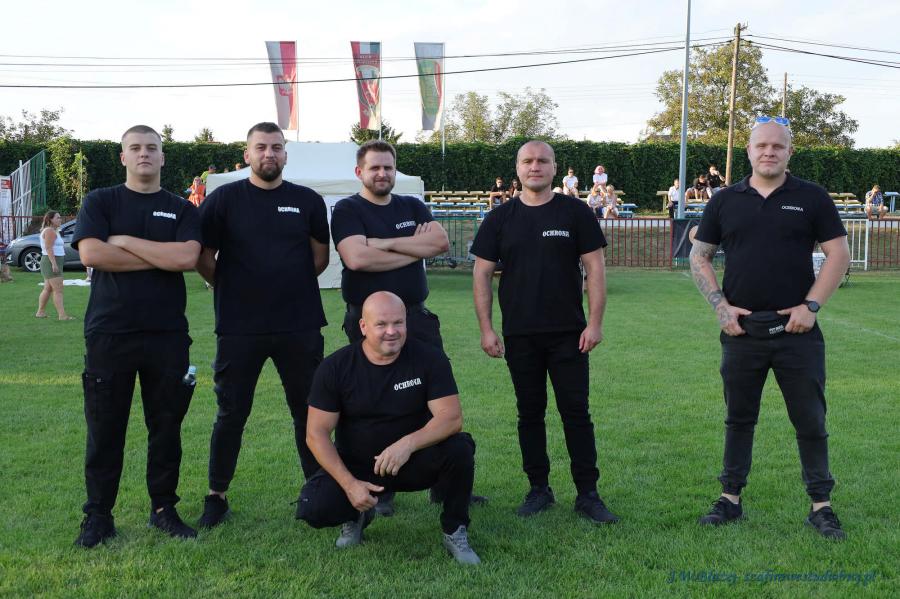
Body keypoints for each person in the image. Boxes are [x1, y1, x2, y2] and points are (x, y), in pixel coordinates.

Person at [689, 117, 851, 539]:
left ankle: (821, 506)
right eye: (761, 145)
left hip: (798, 332)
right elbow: (699, 255)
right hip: (741, 333)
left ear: (789, 152)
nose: (769, 152)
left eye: (778, 146)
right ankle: (730, 499)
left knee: (810, 419)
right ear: (749, 151)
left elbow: (838, 254)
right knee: (738, 419)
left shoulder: (812, 197)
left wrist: (811, 306)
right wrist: (721, 307)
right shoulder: (725, 200)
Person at [331, 139, 485, 515]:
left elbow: (439, 243)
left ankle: (445, 483)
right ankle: (381, 487)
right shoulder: (348, 209)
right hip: (367, 322)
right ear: (359, 172)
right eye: (374, 167)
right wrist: (410, 250)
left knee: (433, 398)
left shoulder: (412, 206)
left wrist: (382, 244)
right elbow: (356, 258)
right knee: (374, 401)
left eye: (388, 167)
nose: (382, 173)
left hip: (417, 319)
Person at [470, 140, 619, 524]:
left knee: (576, 413)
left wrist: (595, 323)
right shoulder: (499, 218)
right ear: (518, 168)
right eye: (527, 161)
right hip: (520, 335)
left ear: (554, 168)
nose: (534, 166)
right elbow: (481, 275)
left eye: (542, 161)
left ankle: (588, 494)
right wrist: (487, 329)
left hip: (569, 334)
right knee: (529, 414)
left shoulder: (575, 212)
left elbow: (596, 269)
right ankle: (539, 489)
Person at [71, 125, 201, 547]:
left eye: (152, 148)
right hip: (110, 333)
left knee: (166, 426)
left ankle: (163, 509)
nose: (144, 153)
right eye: (135, 148)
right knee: (105, 428)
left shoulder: (180, 208)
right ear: (123, 157)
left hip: (167, 335)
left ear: (162, 157)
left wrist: (125, 242)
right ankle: (98, 516)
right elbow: (91, 253)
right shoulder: (101, 201)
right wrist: (160, 256)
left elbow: (187, 257)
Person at [195, 122, 330, 528]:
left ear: (285, 154)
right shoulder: (223, 199)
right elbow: (203, 256)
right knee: (231, 413)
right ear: (247, 154)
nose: (268, 154)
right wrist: (232, 286)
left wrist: (287, 284)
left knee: (309, 412)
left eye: (276, 147)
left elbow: (319, 257)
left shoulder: (307, 201)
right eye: (261, 147)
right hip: (239, 326)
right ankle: (217, 496)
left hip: (299, 324)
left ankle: (318, 490)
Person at [296, 292, 481, 565]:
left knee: (459, 449)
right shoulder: (336, 367)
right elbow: (316, 434)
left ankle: (455, 529)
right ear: (363, 326)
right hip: (359, 467)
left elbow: (451, 418)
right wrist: (350, 485)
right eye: (381, 324)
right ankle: (356, 514)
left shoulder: (429, 358)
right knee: (315, 507)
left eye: (398, 323)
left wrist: (407, 444)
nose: (392, 332)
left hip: (413, 461)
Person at [35, 210, 75, 320]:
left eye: (60, 217)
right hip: (51, 262)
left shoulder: (53, 231)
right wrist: (54, 264)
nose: (60, 219)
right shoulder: (49, 231)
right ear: (50, 220)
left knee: (48, 289)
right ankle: (62, 315)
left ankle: (40, 312)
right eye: (58, 217)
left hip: (52, 261)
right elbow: (49, 248)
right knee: (58, 290)